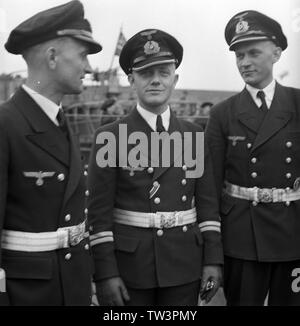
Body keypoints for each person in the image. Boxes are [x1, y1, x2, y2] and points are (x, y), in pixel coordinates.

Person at [88, 28, 223, 306]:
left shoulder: (193, 134)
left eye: (163, 72)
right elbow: (99, 215)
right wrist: (105, 273)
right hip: (130, 268)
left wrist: (213, 260)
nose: (155, 81)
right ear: (131, 80)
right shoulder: (110, 137)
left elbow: (208, 207)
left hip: (183, 264)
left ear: (175, 79)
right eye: (146, 73)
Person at [0, 0, 102, 305]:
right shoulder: (6, 124)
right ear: (53, 56)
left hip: (70, 284)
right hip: (26, 293)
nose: (89, 68)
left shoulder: (58, 120)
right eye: (83, 56)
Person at [206, 10, 300, 306]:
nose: (244, 62)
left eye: (253, 53)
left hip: (293, 231)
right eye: (239, 55)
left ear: (276, 53)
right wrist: (212, 250)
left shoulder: (298, 104)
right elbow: (209, 187)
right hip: (243, 235)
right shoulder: (223, 113)